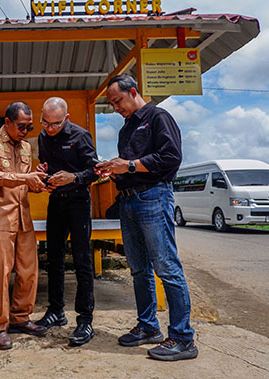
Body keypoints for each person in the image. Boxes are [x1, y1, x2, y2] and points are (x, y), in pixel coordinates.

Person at [95, 74, 198, 361]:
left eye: (118, 101)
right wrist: (113, 170)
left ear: (133, 92)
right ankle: (148, 327)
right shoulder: (125, 130)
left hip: (154, 196)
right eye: (112, 104)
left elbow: (171, 157)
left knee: (166, 267)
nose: (116, 108)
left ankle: (182, 338)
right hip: (129, 201)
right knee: (139, 268)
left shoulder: (159, 117)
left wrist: (127, 165)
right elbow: (130, 168)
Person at [0, 101, 48, 350]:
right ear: (7, 122)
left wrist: (38, 180)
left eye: (29, 127)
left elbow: (25, 183)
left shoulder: (27, 147)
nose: (25, 131)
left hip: (23, 216)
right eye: (21, 126)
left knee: (29, 270)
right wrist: (24, 178)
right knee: (0, 273)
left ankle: (20, 318)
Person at [34, 97, 99, 346]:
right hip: (56, 202)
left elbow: (95, 171)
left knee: (82, 260)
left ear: (67, 118)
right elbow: (47, 166)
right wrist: (44, 175)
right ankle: (56, 311)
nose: (49, 128)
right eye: (45, 123)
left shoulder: (81, 136)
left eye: (55, 124)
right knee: (54, 258)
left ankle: (85, 320)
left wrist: (73, 177)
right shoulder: (43, 137)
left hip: (79, 202)